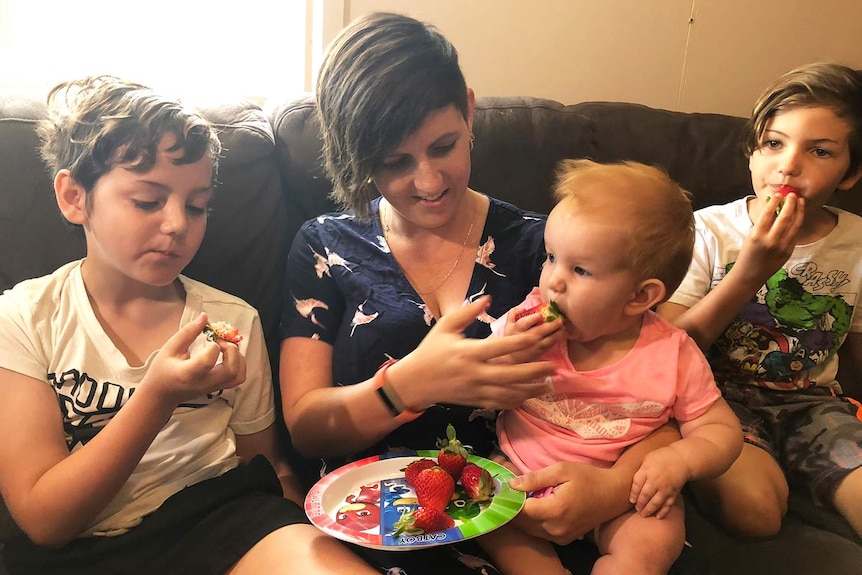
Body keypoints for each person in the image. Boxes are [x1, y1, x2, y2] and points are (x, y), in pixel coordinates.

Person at [279, 12, 705, 575]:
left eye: (445, 145)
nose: (429, 182)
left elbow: (650, 391)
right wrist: (409, 384)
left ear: (471, 111)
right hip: (388, 514)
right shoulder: (325, 247)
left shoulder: (554, 252)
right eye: (395, 163)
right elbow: (306, 428)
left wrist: (608, 491)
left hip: (535, 507)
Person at [0, 76, 380, 575]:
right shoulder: (24, 318)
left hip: (221, 517)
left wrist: (302, 519)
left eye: (197, 206)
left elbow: (261, 466)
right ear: (74, 196)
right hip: (84, 546)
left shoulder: (231, 320)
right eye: (148, 201)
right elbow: (47, 521)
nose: (178, 224)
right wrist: (156, 396)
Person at [474, 160, 742, 575]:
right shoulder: (527, 318)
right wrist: (506, 349)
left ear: (639, 297)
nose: (553, 282)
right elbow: (479, 372)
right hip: (523, 470)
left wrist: (681, 461)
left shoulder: (673, 353)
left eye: (580, 270)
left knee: (654, 541)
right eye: (551, 258)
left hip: (625, 496)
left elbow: (721, 430)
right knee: (486, 510)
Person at [658, 62, 862, 540]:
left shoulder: (856, 244)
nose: (788, 164)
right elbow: (670, 344)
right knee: (756, 515)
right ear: (752, 152)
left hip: (814, 405)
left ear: (850, 174)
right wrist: (751, 271)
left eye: (820, 151)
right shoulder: (707, 231)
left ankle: (813, 475)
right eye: (774, 143)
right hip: (714, 401)